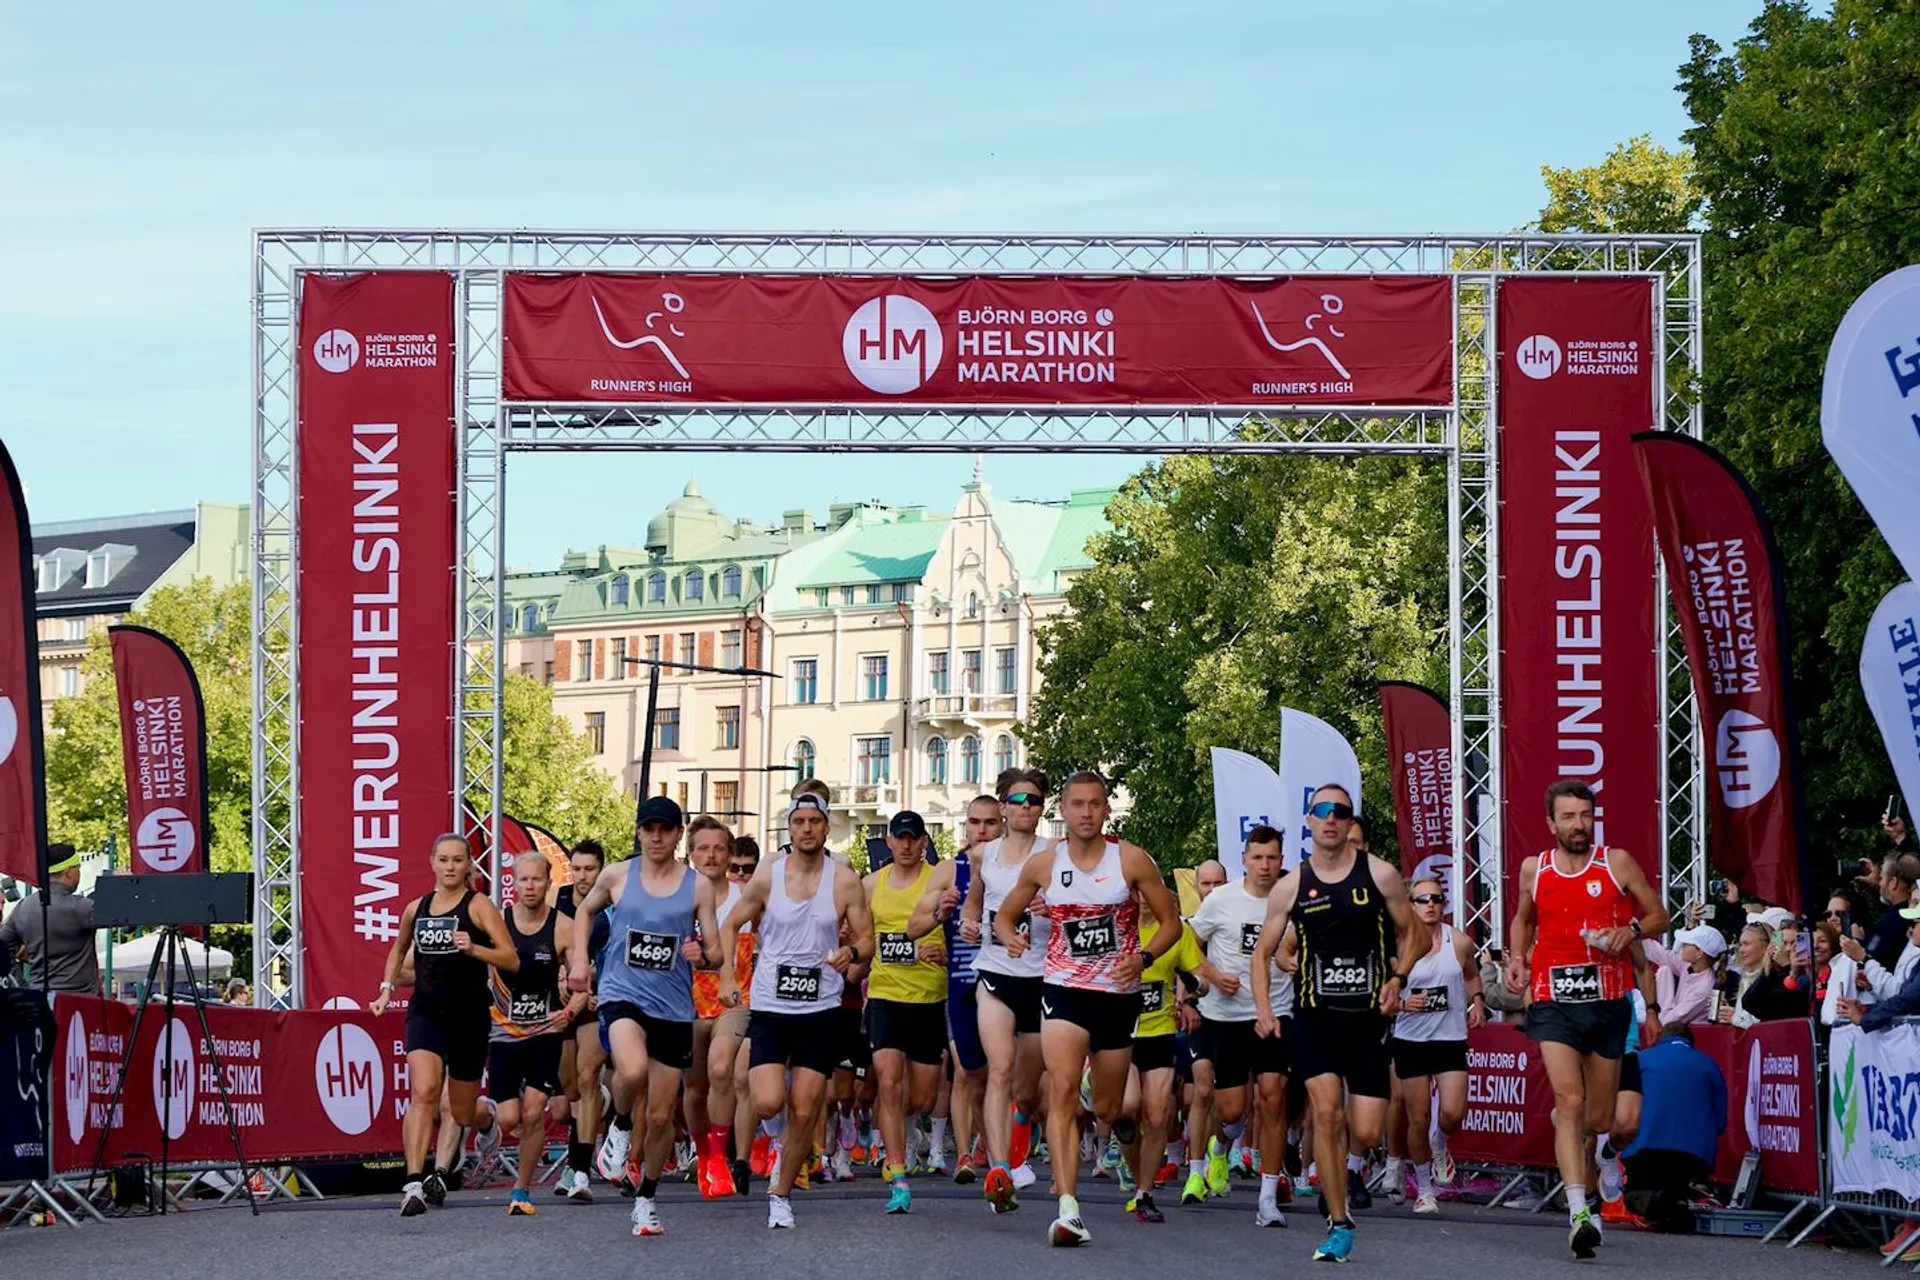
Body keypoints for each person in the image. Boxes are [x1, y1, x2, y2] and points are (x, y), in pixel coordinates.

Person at [994, 770, 1183, 1248]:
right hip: (1062, 990)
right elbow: (1004, 914)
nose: (1085, 812)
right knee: (1057, 1091)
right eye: (1076, 804)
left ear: (1105, 810)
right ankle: (1069, 1209)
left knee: (1108, 1109)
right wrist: (1010, 938)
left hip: (1117, 997)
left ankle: (1089, 1091)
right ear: (1063, 809)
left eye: (1094, 804)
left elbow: (1171, 923)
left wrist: (1143, 958)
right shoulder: (1044, 864)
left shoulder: (1131, 861)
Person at [1252, 784, 1425, 1264]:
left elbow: (1419, 935)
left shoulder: (1381, 875)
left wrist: (1398, 977)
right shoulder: (1292, 884)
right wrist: (1265, 1010)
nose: (1331, 819)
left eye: (1340, 812)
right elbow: (1263, 953)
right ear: (1309, 821)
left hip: (1367, 1022)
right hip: (1314, 1018)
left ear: (1351, 822)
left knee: (1365, 1131)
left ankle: (1342, 1174)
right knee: (1326, 1113)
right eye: (1322, 811)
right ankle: (1339, 1218)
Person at [1504, 779, 1670, 1260]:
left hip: (1609, 1003)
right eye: (1570, 817)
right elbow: (1523, 918)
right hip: (1553, 1001)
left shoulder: (1614, 862)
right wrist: (1517, 955)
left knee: (1597, 1118)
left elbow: (1659, 914)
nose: (1579, 824)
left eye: (1586, 815)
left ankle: (1586, 1155)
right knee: (1568, 1098)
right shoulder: (1535, 868)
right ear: (1551, 823)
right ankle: (1578, 1211)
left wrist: (1630, 929)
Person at [565, 797, 724, 1238]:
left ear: (679, 835)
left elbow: (716, 952)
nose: (656, 837)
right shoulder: (618, 874)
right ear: (639, 832)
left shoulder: (697, 887)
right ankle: (617, 1127)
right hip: (622, 994)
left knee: (658, 1118)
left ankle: (646, 1198)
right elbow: (583, 910)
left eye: (665, 830)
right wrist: (580, 959)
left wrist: (701, 953)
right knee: (631, 1068)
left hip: (672, 1006)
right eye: (649, 829)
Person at [721, 787, 875, 1230]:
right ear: (789, 827)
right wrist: (730, 977)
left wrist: (850, 952)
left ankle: (780, 1194)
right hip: (771, 1001)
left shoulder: (842, 880)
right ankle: (779, 1144)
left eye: (814, 822)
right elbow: (732, 923)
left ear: (826, 828)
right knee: (769, 1102)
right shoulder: (769, 875)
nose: (806, 829)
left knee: (807, 1109)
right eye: (798, 822)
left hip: (820, 1005)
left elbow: (868, 940)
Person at [372, 834, 518, 1217]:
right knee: (423, 1091)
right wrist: (387, 989)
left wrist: (475, 949)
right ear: (432, 863)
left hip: (469, 1016)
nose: (451, 866)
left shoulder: (479, 906)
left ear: (469, 864)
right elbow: (398, 949)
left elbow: (511, 958)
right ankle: (414, 1182)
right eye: (444, 859)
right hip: (426, 1012)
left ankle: (485, 1119)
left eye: (458, 860)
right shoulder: (416, 908)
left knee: (462, 1111)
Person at [1188, 824, 1294, 1228]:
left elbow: (1296, 945)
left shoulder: (1292, 898)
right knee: (1232, 1110)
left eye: (1272, 858)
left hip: (1276, 1012)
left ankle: (1268, 1196)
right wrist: (1212, 976)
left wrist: (1290, 960)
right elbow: (1188, 945)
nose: (1265, 866)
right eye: (1257, 858)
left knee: (1271, 1098)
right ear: (1244, 861)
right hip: (1226, 1015)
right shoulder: (1221, 901)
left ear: (1281, 861)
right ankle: (1221, 1144)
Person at [966, 767, 1054, 1213]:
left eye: (1034, 800)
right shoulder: (984, 855)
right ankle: (999, 1168)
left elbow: (1075, 908)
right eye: (1017, 800)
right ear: (1002, 807)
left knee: (1028, 1089)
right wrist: (967, 922)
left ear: (1043, 808)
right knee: (998, 1070)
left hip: (1041, 976)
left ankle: (1022, 1124)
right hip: (995, 972)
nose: (1025, 808)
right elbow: (975, 903)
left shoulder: (1055, 853)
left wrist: (1050, 907)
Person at [907, 794, 1003, 1185]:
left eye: (990, 823)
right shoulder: (949, 869)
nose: (981, 830)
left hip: (1004, 982)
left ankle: (994, 1146)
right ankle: (964, 1154)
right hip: (962, 980)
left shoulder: (1018, 867)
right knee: (965, 1071)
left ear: (1004, 825)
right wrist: (938, 914)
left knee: (1001, 1073)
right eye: (974, 822)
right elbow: (913, 927)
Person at [487, 852, 582, 1216]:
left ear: (548, 883)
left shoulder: (563, 927)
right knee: (508, 1119)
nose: (530, 887)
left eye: (537, 880)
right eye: (523, 880)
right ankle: (485, 1121)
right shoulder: (498, 923)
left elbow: (582, 983)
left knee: (533, 1113)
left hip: (545, 1034)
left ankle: (521, 1192)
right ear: (513, 883)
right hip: (503, 1034)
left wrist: (569, 1012)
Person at [863, 810, 947, 1214]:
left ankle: (905, 1132)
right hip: (884, 996)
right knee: (890, 1084)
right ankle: (897, 1175)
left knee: (923, 1097)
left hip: (929, 1000)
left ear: (924, 842)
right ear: (890, 841)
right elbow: (861, 936)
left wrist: (943, 953)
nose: (908, 845)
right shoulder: (870, 886)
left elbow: (961, 936)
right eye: (901, 838)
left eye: (915, 838)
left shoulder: (939, 881)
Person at [1384, 875, 1484, 1216]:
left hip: (1450, 1038)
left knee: (1454, 1113)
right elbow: (1380, 996)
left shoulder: (1458, 942)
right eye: (1422, 899)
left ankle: (1440, 1142)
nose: (1430, 905)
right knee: (1417, 1117)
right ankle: (1425, 1190)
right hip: (1411, 1040)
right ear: (1410, 905)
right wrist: (1401, 1004)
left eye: (1436, 899)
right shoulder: (1397, 943)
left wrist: (1479, 1001)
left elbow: (1471, 974)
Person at [1121, 877, 1205, 1224]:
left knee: (1157, 1116)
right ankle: (1133, 1165)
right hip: (1119, 1033)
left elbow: (1197, 974)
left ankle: (1144, 1193)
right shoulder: (1115, 929)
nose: (1142, 899)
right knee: (1128, 1107)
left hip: (1159, 1032)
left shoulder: (1175, 931)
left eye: (1147, 892)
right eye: (1135, 892)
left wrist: (1193, 994)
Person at [685, 816, 744, 1198]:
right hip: (684, 1002)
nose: (711, 855)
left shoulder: (747, 895)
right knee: (693, 1088)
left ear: (729, 854)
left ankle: (721, 1157)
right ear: (690, 854)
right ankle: (703, 1154)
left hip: (735, 998)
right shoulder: (675, 895)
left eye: (719, 848)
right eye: (703, 848)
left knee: (721, 1068)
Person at [1618, 1025, 1726, 1232]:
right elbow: (1720, 1122)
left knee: (1635, 1196)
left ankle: (1663, 1202)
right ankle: (1675, 1202)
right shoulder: (1709, 1064)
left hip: (1644, 1149)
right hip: (1694, 1155)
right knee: (1676, 1180)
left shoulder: (1640, 1060)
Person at [554, 838, 610, 1202]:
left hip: (596, 998)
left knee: (588, 1077)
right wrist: (559, 974)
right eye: (577, 868)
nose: (582, 876)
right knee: (566, 1097)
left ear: (601, 869)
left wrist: (599, 978)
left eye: (590, 869)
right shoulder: (556, 900)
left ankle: (579, 1169)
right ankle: (599, 1106)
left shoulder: (614, 903)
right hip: (560, 1000)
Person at [1183, 859, 1231, 1201]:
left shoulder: (1240, 918)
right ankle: (1195, 1172)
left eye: (1218, 884)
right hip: (1202, 1016)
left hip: (1237, 1017)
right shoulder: (1189, 928)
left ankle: (1220, 1149)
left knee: (1233, 1107)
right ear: (1196, 888)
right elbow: (1178, 966)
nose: (1212, 891)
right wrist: (1185, 1003)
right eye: (1206, 884)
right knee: (1202, 1090)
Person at [0, 845, 98, 995]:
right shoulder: (80, 907)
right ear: (69, 872)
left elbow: (2, 947)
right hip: (79, 1001)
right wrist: (122, 886)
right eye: (78, 867)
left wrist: (20, 986)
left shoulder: (23, 908)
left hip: (39, 998)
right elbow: (124, 917)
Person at [1716, 923, 1806, 1025]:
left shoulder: (1797, 975)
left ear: (1766, 946)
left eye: (1746, 944)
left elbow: (1777, 1014)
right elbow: (1749, 1002)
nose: (1788, 949)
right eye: (1784, 943)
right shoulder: (1756, 975)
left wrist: (1786, 966)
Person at [1641, 923, 1724, 1025]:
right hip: (1672, 1025)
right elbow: (1660, 954)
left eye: (1688, 943)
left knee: (1665, 971)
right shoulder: (1687, 965)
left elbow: (1669, 1021)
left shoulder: (1704, 988)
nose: (1683, 945)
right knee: (1665, 970)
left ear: (1699, 953)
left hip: (1691, 1036)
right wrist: (1633, 935)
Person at [1863, 852, 1919, 969]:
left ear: (1893, 882)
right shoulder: (1908, 916)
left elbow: (1872, 961)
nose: (1880, 882)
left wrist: (1857, 943)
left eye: (1882, 878)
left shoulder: (1888, 924)